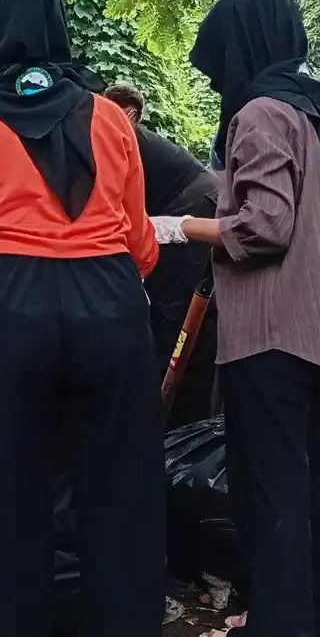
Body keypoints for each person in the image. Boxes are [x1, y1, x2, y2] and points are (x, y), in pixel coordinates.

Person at [0, 0, 163, 637]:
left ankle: (16, 632)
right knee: (117, 480)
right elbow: (140, 243)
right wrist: (101, 274)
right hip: (108, 301)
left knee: (12, 481)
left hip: (13, 305)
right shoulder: (111, 120)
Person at [154, 0, 320, 637]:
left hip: (276, 330)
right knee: (318, 480)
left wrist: (179, 226)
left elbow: (262, 229)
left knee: (272, 488)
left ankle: (277, 636)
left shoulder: (259, 113)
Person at [103, 82, 220, 427]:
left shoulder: (97, 129)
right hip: (180, 206)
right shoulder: (84, 122)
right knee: (171, 314)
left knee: (175, 320)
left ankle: (178, 426)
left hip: (187, 209)